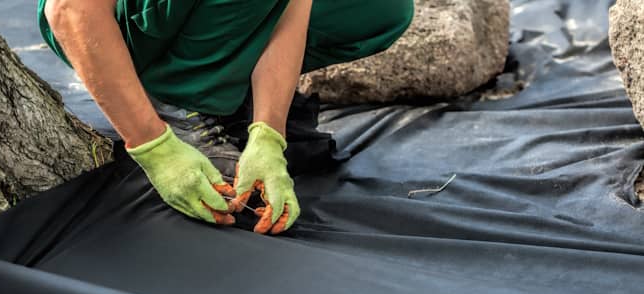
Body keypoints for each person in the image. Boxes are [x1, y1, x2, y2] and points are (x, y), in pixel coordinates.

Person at [39, 0, 414, 234]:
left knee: (381, 8)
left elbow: (290, 15)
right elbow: (69, 11)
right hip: (107, 23)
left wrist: (268, 134)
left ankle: (224, 86)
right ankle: (173, 101)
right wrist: (155, 147)